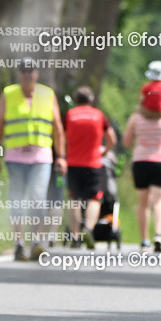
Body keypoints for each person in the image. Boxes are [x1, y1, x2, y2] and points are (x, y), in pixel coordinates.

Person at [0, 58, 67, 261]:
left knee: (37, 199)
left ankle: (36, 242)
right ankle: (18, 243)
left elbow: (58, 128)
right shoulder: (8, 94)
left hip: (41, 157)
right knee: (17, 200)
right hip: (15, 157)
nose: (27, 74)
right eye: (23, 70)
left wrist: (61, 156)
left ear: (37, 73)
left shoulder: (47, 94)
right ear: (18, 74)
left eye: (31, 70)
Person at [123, 89, 161, 253]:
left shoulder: (135, 118)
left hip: (140, 161)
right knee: (160, 201)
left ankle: (144, 241)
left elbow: (127, 141)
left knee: (143, 203)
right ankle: (158, 235)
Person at [64, 85, 117, 247]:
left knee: (75, 199)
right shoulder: (99, 116)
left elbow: (63, 137)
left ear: (75, 100)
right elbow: (112, 140)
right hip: (93, 163)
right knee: (95, 198)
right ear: (91, 100)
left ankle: (75, 236)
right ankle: (88, 228)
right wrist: (104, 152)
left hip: (73, 163)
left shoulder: (70, 115)